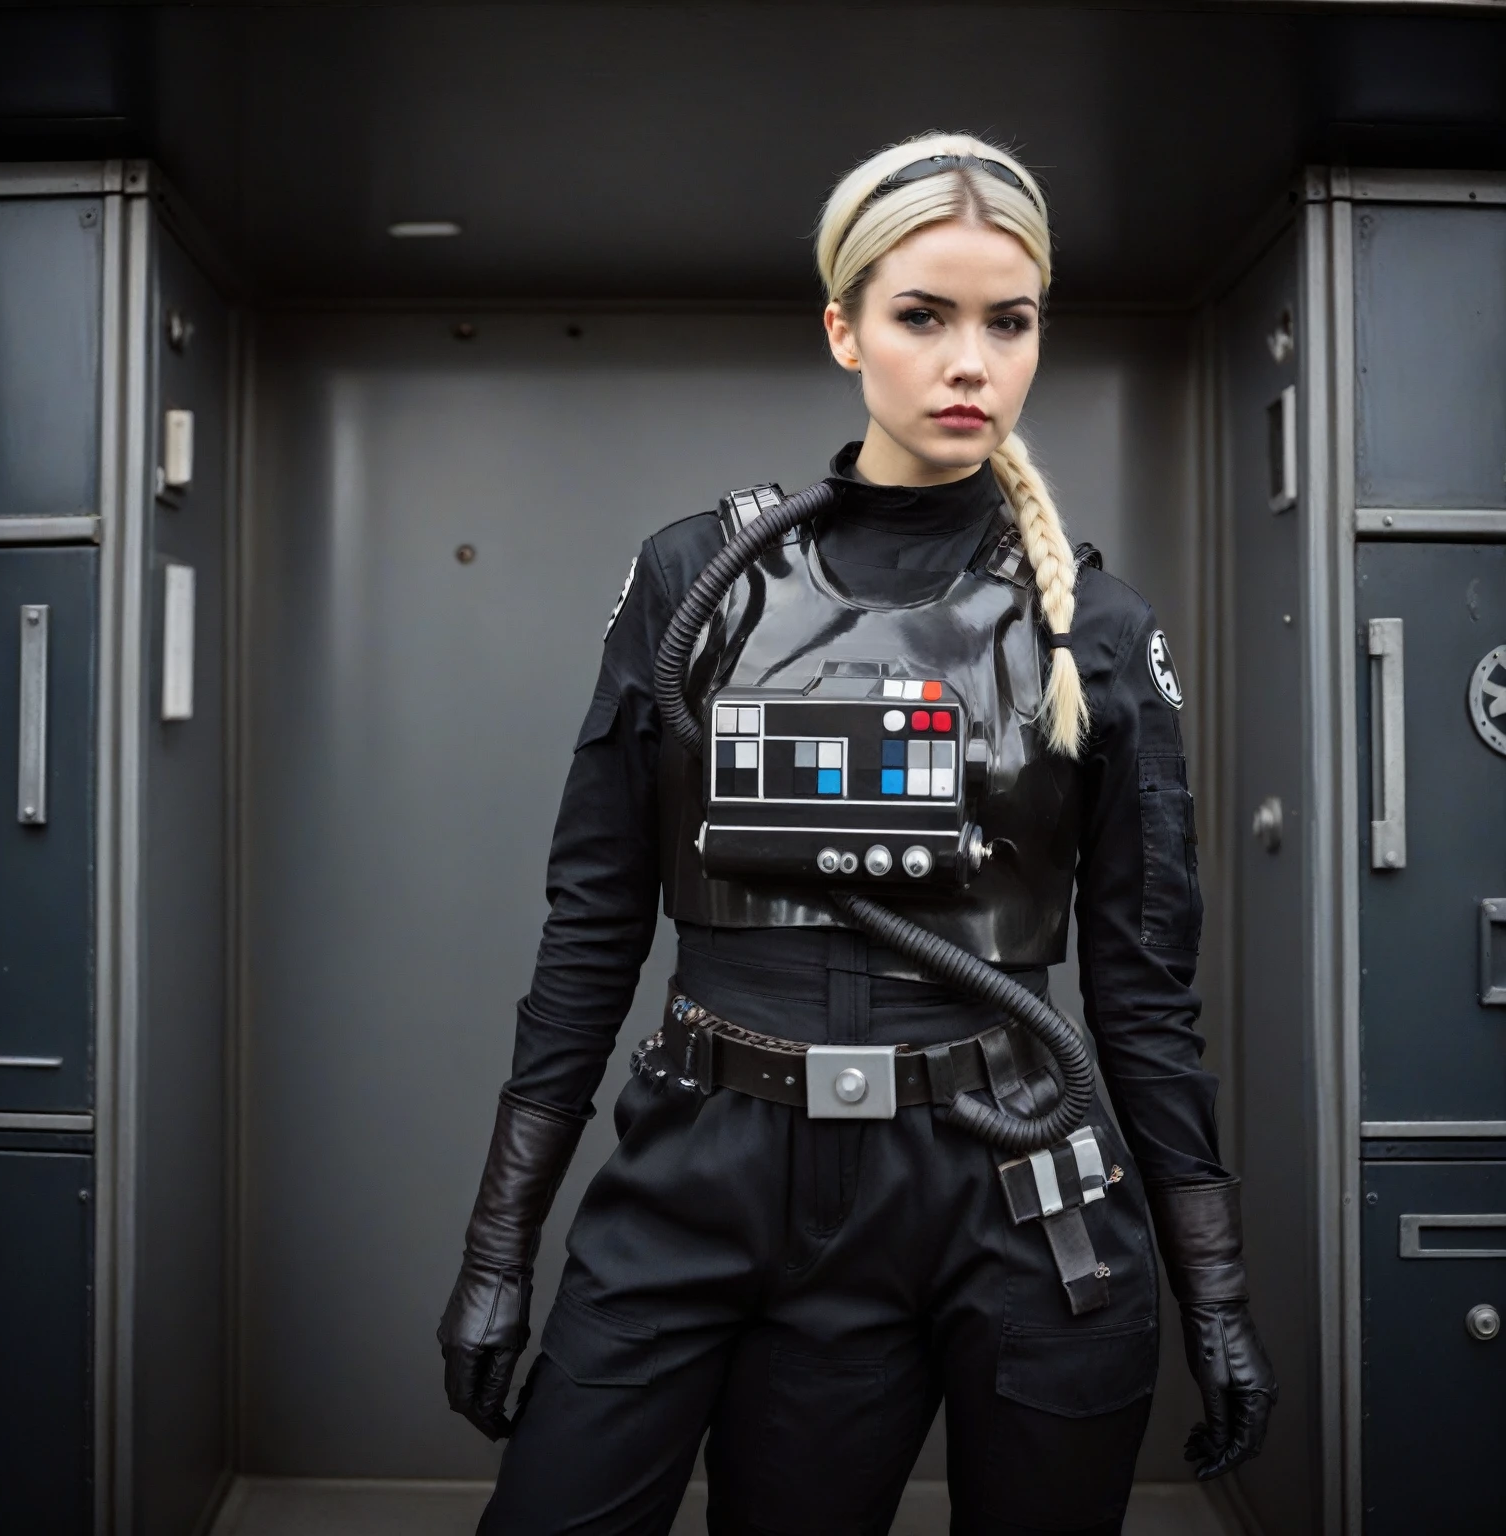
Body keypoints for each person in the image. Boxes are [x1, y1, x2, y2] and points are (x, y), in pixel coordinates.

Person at [438, 132, 1276, 1536]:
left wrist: (1221, 1296)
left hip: (1010, 1179)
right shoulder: (694, 584)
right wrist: (498, 1244)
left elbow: (1143, 995)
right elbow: (593, 923)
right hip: (711, 1152)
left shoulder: (1100, 630)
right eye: (923, 316)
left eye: (1009, 324)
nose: (973, 363)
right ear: (844, 329)